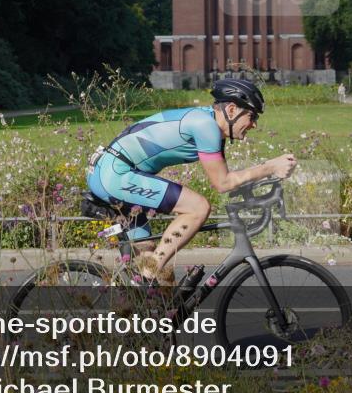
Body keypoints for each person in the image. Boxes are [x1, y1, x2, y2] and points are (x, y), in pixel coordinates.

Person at [86, 78, 296, 285]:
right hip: (115, 174)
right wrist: (269, 167)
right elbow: (222, 183)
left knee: (162, 277)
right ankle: (148, 274)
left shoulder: (209, 124)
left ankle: (147, 308)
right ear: (232, 110)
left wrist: (262, 181)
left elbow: (229, 178)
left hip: (111, 171)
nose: (254, 125)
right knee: (198, 208)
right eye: (251, 116)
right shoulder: (205, 126)